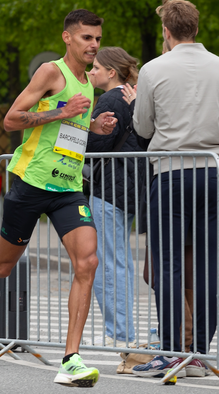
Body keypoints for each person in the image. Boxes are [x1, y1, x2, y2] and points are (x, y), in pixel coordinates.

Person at [0, 9, 116, 387]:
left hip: (68, 189)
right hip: (32, 183)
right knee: (3, 266)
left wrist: (94, 126)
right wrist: (63, 111)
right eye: (86, 38)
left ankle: (71, 360)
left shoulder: (88, 83)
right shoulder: (52, 72)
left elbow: (72, 128)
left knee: (89, 261)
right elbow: (12, 120)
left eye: (97, 39)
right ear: (68, 38)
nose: (94, 45)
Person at [132, 0, 219, 376]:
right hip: (213, 172)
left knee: (170, 266)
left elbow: (143, 127)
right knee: (208, 266)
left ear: (166, 31)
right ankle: (200, 353)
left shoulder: (153, 69)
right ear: (196, 27)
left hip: (171, 171)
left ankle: (173, 349)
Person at [86, 46, 147, 349]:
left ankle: (119, 332)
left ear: (112, 71)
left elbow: (96, 147)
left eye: (96, 67)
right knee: (118, 261)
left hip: (110, 187)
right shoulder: (134, 94)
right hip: (131, 185)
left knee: (110, 262)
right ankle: (120, 330)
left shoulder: (110, 99)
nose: (91, 72)